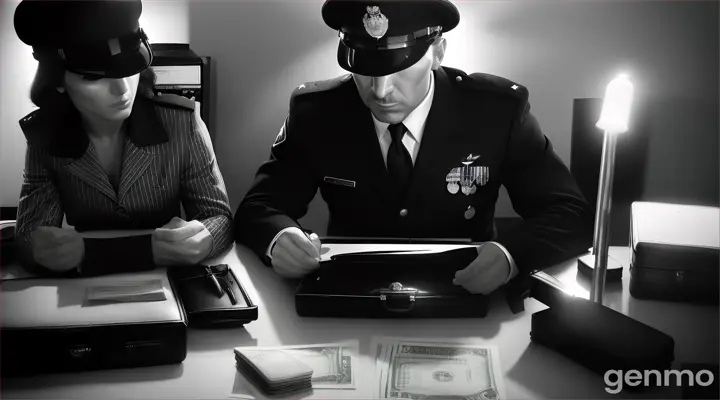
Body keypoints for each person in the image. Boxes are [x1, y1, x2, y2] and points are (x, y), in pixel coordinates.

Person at [235, 0, 593, 294]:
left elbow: (569, 214)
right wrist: (280, 238)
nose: (380, 90)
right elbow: (259, 207)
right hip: (353, 293)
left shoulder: (495, 111)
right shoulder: (317, 112)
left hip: (465, 291)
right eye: (366, 70)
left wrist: (511, 254)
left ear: (437, 51)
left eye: (400, 67)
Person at [13, 0, 233, 275]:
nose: (122, 90)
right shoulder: (44, 136)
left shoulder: (182, 123)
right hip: (82, 296)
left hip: (167, 285)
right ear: (58, 81)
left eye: (129, 69)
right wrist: (37, 247)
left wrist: (206, 237)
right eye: (94, 78)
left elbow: (220, 218)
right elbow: (27, 235)